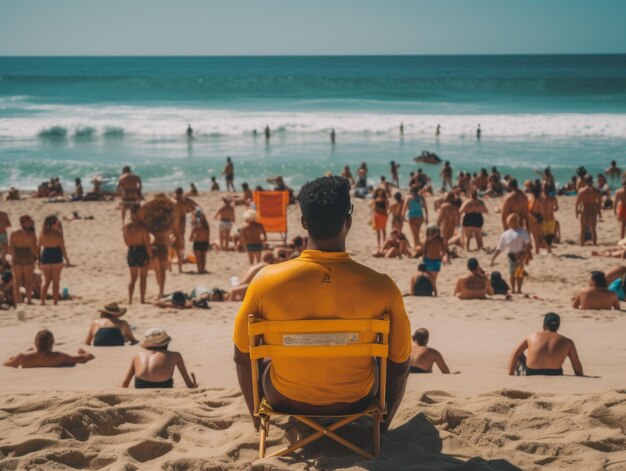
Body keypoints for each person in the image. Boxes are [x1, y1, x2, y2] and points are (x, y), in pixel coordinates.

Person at [233, 176, 411, 430]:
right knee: (381, 360)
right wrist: (385, 421)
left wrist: (255, 416)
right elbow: (400, 363)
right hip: (355, 400)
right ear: (348, 221)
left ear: (304, 222)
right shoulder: (383, 286)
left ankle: (260, 424)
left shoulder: (265, 282)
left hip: (284, 398)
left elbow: (242, 356)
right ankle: (380, 428)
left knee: (265, 361)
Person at [508, 313, 583, 376]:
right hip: (555, 373)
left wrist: (510, 374)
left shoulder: (531, 336)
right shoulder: (568, 342)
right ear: (558, 326)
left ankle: (514, 374)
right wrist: (580, 375)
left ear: (544, 325)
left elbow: (515, 354)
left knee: (519, 354)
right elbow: (576, 365)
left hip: (532, 372)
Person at [122, 328, 197, 389]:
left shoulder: (138, 356)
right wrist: (194, 385)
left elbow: (125, 383)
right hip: (163, 386)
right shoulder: (175, 355)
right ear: (166, 343)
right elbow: (189, 385)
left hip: (140, 386)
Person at [4, 329, 94, 368]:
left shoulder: (22, 357)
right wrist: (83, 351)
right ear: (51, 343)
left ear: (36, 342)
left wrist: (28, 351)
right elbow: (86, 357)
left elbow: (7, 363)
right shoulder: (59, 357)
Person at [490, 213, 531, 294]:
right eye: (510, 221)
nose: (511, 223)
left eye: (514, 221)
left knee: (519, 274)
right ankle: (513, 289)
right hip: (511, 256)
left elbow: (528, 245)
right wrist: (493, 259)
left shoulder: (522, 232)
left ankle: (519, 289)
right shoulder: (506, 234)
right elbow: (500, 248)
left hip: (520, 255)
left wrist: (523, 256)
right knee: (512, 273)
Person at [123, 205, 153, 304]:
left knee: (133, 278)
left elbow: (126, 243)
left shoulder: (126, 227)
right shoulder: (143, 227)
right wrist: (151, 257)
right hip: (142, 251)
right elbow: (147, 243)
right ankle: (142, 300)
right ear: (136, 214)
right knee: (143, 277)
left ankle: (130, 300)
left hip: (131, 251)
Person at [38, 215, 70, 305]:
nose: (58, 225)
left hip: (46, 256)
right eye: (57, 223)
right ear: (53, 224)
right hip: (56, 256)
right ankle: (55, 302)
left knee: (46, 281)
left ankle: (42, 301)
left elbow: (38, 247)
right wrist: (67, 261)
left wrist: (39, 260)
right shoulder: (58, 235)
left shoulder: (42, 233)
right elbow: (63, 249)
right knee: (56, 282)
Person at [10, 215, 38, 305]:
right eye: (30, 221)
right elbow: (33, 247)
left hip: (17, 254)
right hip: (27, 254)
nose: (31, 222)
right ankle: (28, 300)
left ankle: (18, 300)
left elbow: (11, 247)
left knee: (17, 280)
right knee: (28, 280)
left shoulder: (14, 233)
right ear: (25, 223)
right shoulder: (30, 233)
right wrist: (37, 257)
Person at [575, 175, 601, 246]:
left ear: (585, 181)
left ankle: (582, 243)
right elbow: (599, 203)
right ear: (592, 180)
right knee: (593, 229)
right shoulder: (596, 191)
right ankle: (595, 243)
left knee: (583, 229)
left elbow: (577, 203)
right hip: (593, 210)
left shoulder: (581, 191)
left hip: (584, 210)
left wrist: (576, 212)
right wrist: (600, 213)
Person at [422, 225, 448, 289]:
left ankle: (432, 290)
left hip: (436, 260)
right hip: (428, 260)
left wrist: (442, 258)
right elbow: (424, 248)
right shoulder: (428, 239)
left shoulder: (440, 240)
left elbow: (444, 251)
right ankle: (429, 289)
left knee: (434, 278)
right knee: (427, 277)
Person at [527, 181, 545, 254]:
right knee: (537, 238)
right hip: (532, 219)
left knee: (536, 238)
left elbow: (542, 214)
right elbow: (542, 213)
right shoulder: (534, 199)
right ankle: (547, 250)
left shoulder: (535, 200)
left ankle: (537, 252)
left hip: (535, 220)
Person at [542, 182, 559, 253]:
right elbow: (557, 208)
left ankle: (548, 249)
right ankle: (549, 249)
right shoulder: (553, 198)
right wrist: (551, 209)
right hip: (551, 217)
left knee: (545, 235)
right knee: (550, 235)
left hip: (544, 219)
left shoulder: (541, 198)